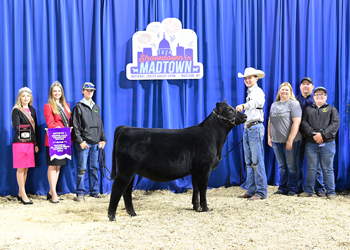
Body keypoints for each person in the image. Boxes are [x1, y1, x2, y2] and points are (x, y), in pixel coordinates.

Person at [299, 87, 339, 199]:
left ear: (326, 97)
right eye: (317, 94)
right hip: (311, 144)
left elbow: (334, 124)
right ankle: (308, 191)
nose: (319, 96)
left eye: (322, 95)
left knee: (328, 168)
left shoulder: (332, 109)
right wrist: (313, 135)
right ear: (314, 97)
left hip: (328, 144)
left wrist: (322, 135)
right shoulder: (307, 110)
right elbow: (304, 123)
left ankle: (331, 192)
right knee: (311, 168)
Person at [236, 67, 267, 201]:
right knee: (249, 161)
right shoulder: (250, 92)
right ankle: (251, 189)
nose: (248, 80)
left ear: (256, 78)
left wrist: (243, 106)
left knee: (257, 161)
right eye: (246, 78)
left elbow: (255, 103)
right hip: (248, 128)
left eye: (250, 78)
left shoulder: (258, 91)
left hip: (255, 128)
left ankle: (260, 192)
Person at [72, 82, 107, 202]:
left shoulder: (96, 107)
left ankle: (94, 191)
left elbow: (100, 124)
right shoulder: (79, 106)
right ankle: (80, 193)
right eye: (87, 90)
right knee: (82, 168)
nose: (89, 92)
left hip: (95, 142)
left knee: (94, 168)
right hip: (84, 143)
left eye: (92, 90)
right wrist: (80, 141)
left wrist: (103, 139)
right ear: (82, 91)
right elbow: (75, 126)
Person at [268, 82, 302, 196]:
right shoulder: (274, 104)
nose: (285, 92)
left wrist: (290, 140)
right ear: (279, 91)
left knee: (291, 166)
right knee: (282, 166)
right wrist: (269, 137)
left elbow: (296, 122)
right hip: (276, 141)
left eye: (287, 90)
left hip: (291, 141)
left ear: (291, 92)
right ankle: (282, 188)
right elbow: (270, 121)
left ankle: (292, 188)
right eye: (283, 89)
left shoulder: (294, 104)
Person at [296, 77, 325, 196]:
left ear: (312, 87)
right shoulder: (294, 100)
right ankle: (298, 188)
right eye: (303, 84)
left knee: (316, 164)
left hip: (312, 137)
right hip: (297, 136)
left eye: (308, 84)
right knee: (297, 163)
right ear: (300, 87)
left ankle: (319, 189)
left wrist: (311, 133)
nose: (305, 86)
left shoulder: (316, 101)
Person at [43, 81, 72, 203]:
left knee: (58, 166)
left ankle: (51, 191)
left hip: (64, 139)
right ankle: (54, 194)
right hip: (53, 139)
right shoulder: (48, 106)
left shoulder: (66, 105)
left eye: (59, 91)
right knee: (52, 166)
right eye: (55, 91)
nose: (57, 93)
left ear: (62, 93)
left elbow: (68, 122)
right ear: (51, 93)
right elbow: (50, 122)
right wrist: (57, 128)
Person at [11, 87, 39, 205]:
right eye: (23, 96)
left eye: (28, 96)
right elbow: (17, 127)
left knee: (26, 168)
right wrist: (27, 133)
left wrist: (36, 143)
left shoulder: (32, 110)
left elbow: (35, 128)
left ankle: (19, 192)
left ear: (30, 98)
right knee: (20, 168)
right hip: (20, 142)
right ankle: (23, 194)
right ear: (20, 98)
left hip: (30, 143)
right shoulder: (16, 111)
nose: (26, 98)